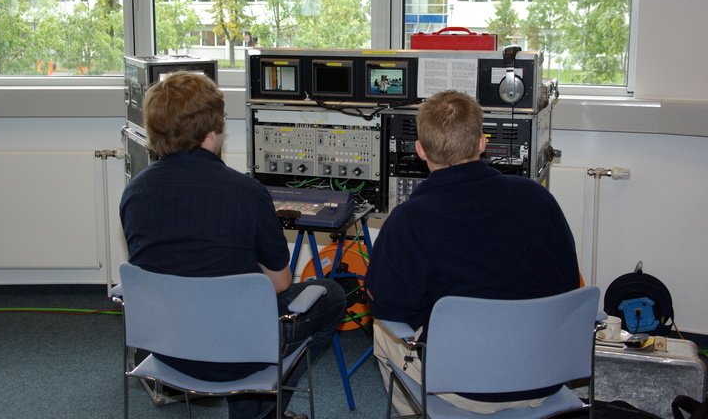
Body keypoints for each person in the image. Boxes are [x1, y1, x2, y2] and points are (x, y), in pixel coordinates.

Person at [119, 72, 346, 419]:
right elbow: (280, 282)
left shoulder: (134, 192)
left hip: (167, 347)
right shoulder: (247, 193)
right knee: (333, 294)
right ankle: (262, 411)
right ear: (212, 130)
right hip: (239, 354)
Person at [364, 89, 580, 416]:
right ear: (481, 143)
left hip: (462, 387)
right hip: (545, 373)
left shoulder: (408, 219)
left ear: (420, 150)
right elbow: (568, 284)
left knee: (382, 331)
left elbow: (388, 308)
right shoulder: (538, 197)